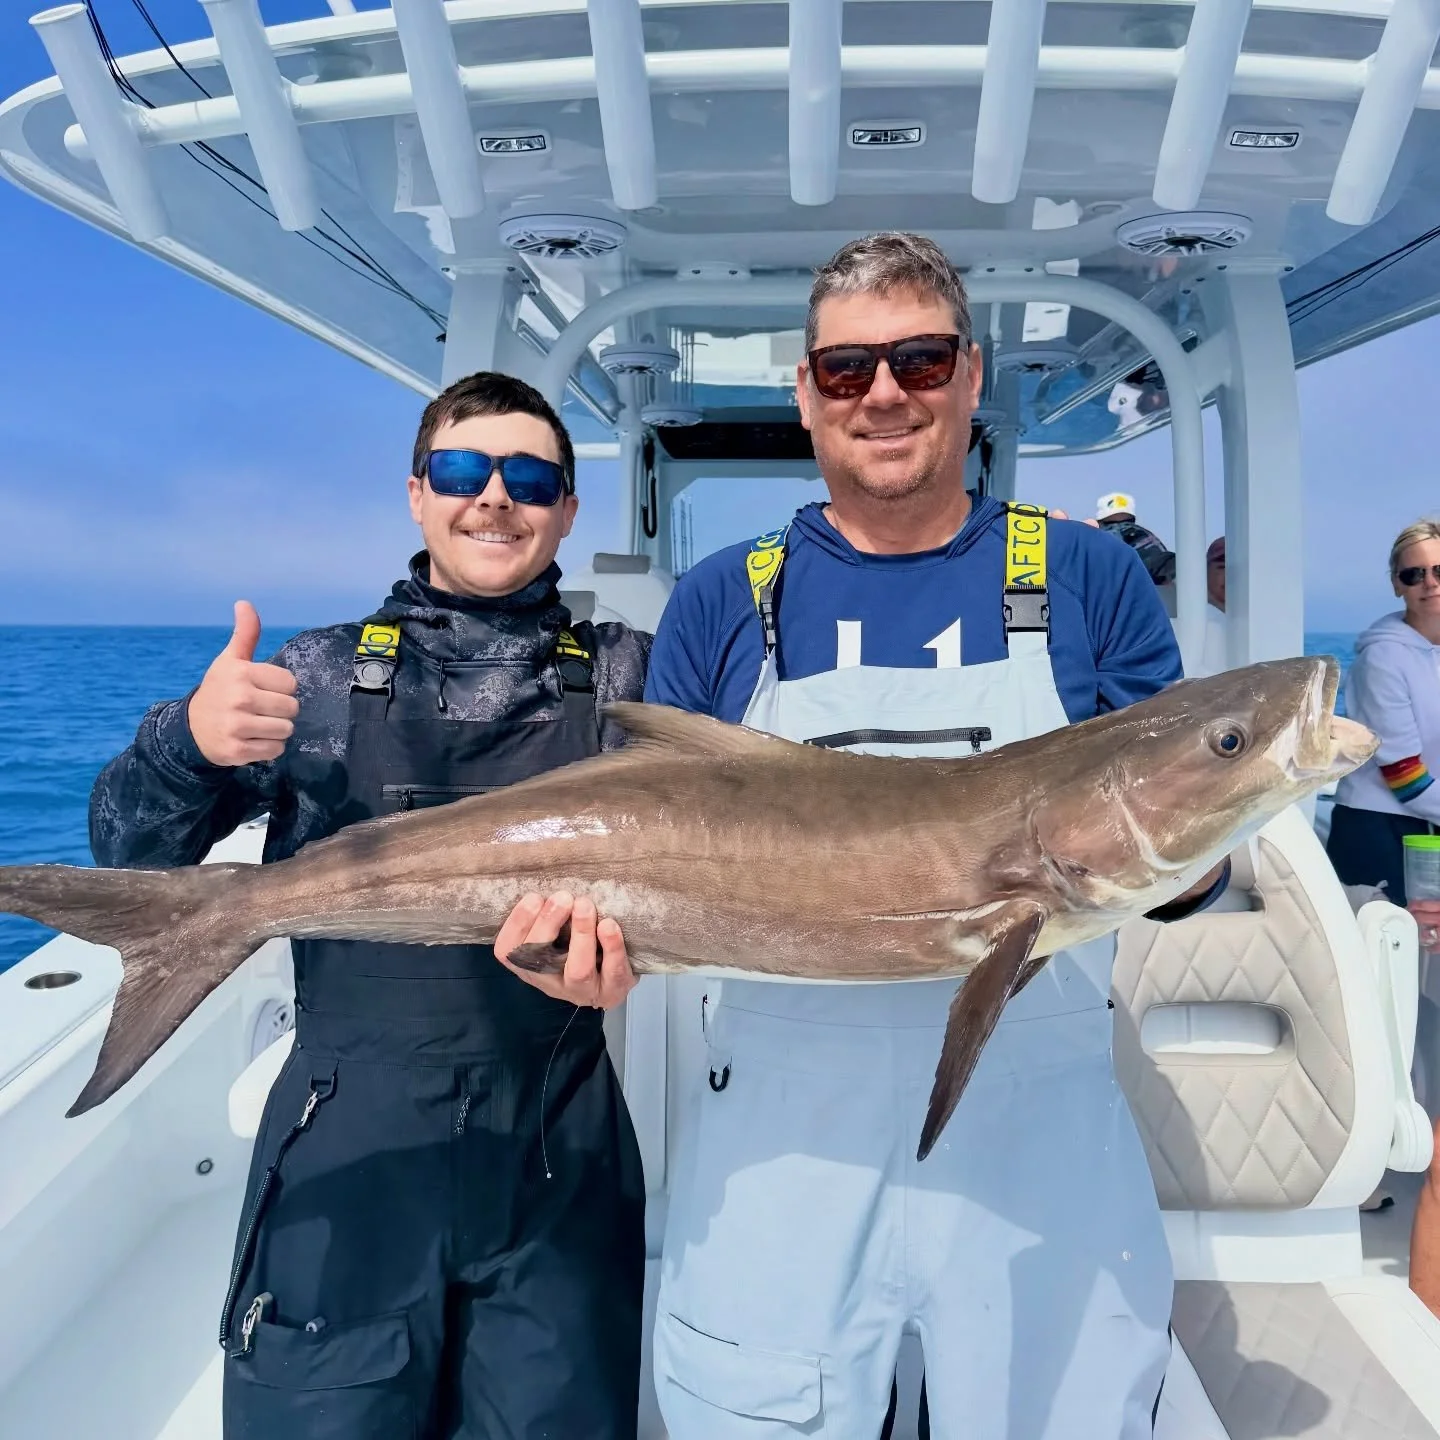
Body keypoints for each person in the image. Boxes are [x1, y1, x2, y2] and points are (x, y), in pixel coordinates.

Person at [497, 232, 1229, 1438]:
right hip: (783, 1143)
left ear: (972, 376)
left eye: (919, 360)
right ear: (805, 392)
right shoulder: (725, 596)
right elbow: (644, 853)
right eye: (847, 371)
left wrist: (1204, 845)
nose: (885, 394)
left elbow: (1178, 879)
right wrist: (579, 963)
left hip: (1037, 1133)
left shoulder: (1092, 578)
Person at [88, 372, 649, 1438]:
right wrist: (186, 748)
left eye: (530, 476)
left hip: (558, 1148)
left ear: (569, 509)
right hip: (351, 1137)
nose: (495, 497)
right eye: (461, 470)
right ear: (415, 494)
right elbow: (130, 850)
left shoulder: (631, 683)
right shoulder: (317, 677)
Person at [1326, 519, 1440, 906]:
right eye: (1414, 574)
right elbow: (1406, 778)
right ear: (1396, 584)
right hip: (1376, 831)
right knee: (1392, 959)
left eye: (1439, 570)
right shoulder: (1384, 658)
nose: (1430, 583)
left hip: (1427, 822)